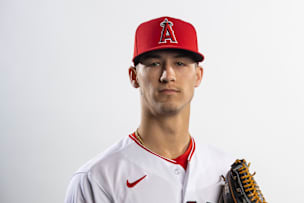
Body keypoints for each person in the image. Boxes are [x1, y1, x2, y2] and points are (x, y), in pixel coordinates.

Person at [65, 16, 234, 203]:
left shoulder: (225, 170)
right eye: (154, 63)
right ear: (134, 76)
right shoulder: (96, 180)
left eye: (180, 63)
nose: (167, 75)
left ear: (198, 75)